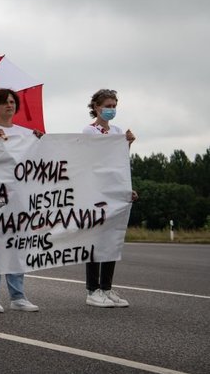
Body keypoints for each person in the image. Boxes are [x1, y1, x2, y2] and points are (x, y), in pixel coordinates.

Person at [0, 88, 41, 313]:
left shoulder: (26, 133)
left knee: (17, 247)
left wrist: (39, 142)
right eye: (4, 102)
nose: (9, 105)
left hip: (19, 199)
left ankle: (18, 296)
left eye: (12, 102)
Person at [82, 89, 136, 308]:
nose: (111, 109)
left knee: (112, 240)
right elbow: (93, 161)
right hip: (96, 191)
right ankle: (92, 290)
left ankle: (106, 287)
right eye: (107, 105)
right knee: (96, 240)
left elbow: (119, 163)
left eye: (114, 105)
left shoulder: (117, 130)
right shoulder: (89, 130)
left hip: (114, 191)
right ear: (96, 107)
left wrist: (127, 145)